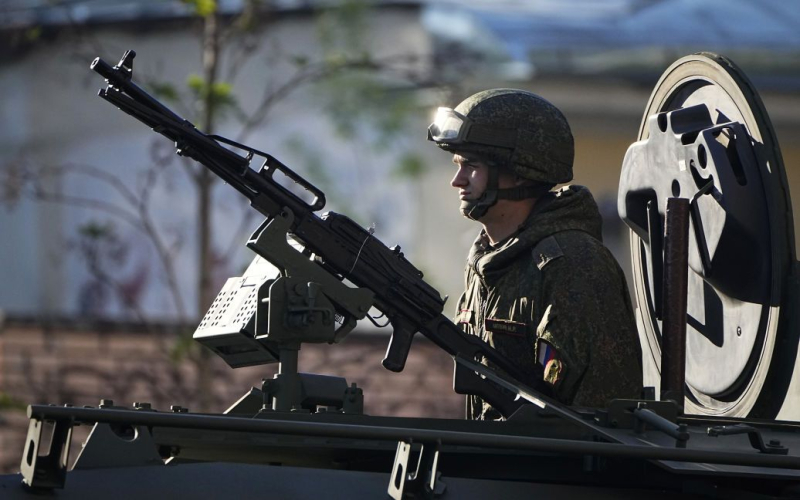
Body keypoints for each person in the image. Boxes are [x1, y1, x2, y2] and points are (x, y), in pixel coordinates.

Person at [427, 89, 643, 420]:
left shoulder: (573, 263)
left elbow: (599, 417)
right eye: (458, 164)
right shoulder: (488, 262)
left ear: (520, 171)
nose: (457, 181)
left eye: (471, 166)